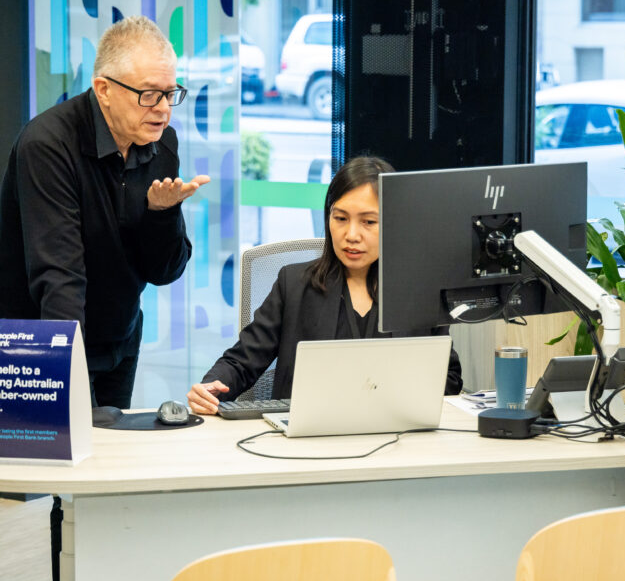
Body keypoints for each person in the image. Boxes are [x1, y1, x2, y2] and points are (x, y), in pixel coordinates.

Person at [0, 15, 210, 581]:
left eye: (172, 93)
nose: (162, 108)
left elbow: (165, 269)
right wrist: (74, 394)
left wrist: (160, 215)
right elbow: (58, 282)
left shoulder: (159, 144)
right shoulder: (48, 145)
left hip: (119, 333)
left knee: (105, 494)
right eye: (149, 94)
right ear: (104, 89)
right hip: (40, 349)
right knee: (51, 494)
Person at [187, 156, 462, 414]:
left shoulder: (420, 292)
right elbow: (242, 361)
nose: (351, 235)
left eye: (368, 222)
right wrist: (212, 387)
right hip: (305, 440)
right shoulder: (294, 285)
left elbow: (447, 377)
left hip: (395, 436)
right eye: (340, 218)